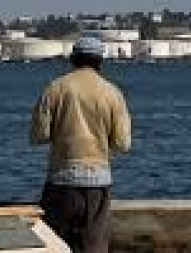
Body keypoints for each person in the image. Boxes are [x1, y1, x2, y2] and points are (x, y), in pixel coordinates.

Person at [30, 37, 131, 252]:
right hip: (99, 182)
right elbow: (122, 143)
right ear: (100, 61)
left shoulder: (55, 88)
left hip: (61, 179)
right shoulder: (113, 93)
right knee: (95, 245)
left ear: (73, 59)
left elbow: (39, 135)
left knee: (55, 244)